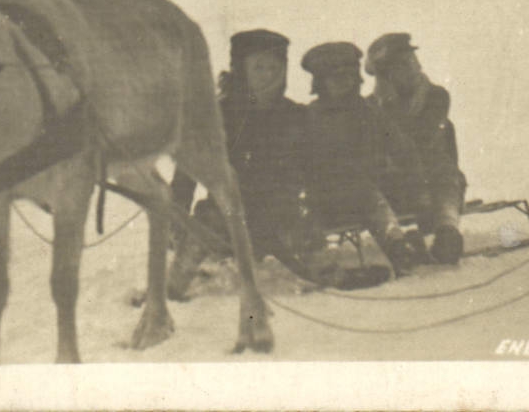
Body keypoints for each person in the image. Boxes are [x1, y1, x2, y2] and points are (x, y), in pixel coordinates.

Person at [166, 30, 331, 297]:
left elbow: (315, 168)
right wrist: (175, 220)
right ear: (242, 70)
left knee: (318, 261)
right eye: (258, 67)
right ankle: (169, 290)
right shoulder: (217, 116)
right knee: (200, 233)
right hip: (226, 214)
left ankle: (326, 272)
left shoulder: (295, 115)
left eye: (273, 68)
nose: (266, 75)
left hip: (280, 210)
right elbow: (187, 174)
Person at [302, 42, 428, 275]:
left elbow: (403, 149)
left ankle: (403, 246)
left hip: (374, 194)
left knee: (370, 190)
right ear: (321, 82)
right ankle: (396, 245)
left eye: (349, 75)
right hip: (330, 201)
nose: (343, 81)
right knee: (359, 187)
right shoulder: (311, 118)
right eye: (334, 77)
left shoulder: (369, 112)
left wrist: (414, 180)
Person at [366, 32, 468, 265]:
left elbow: (423, 141)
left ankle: (447, 232)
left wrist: (388, 111)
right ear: (387, 74)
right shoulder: (371, 107)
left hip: (434, 182)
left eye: (413, 61)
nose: (414, 68)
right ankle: (405, 239)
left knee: (443, 170)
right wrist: (386, 105)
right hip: (396, 186)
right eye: (403, 65)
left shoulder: (435, 96)